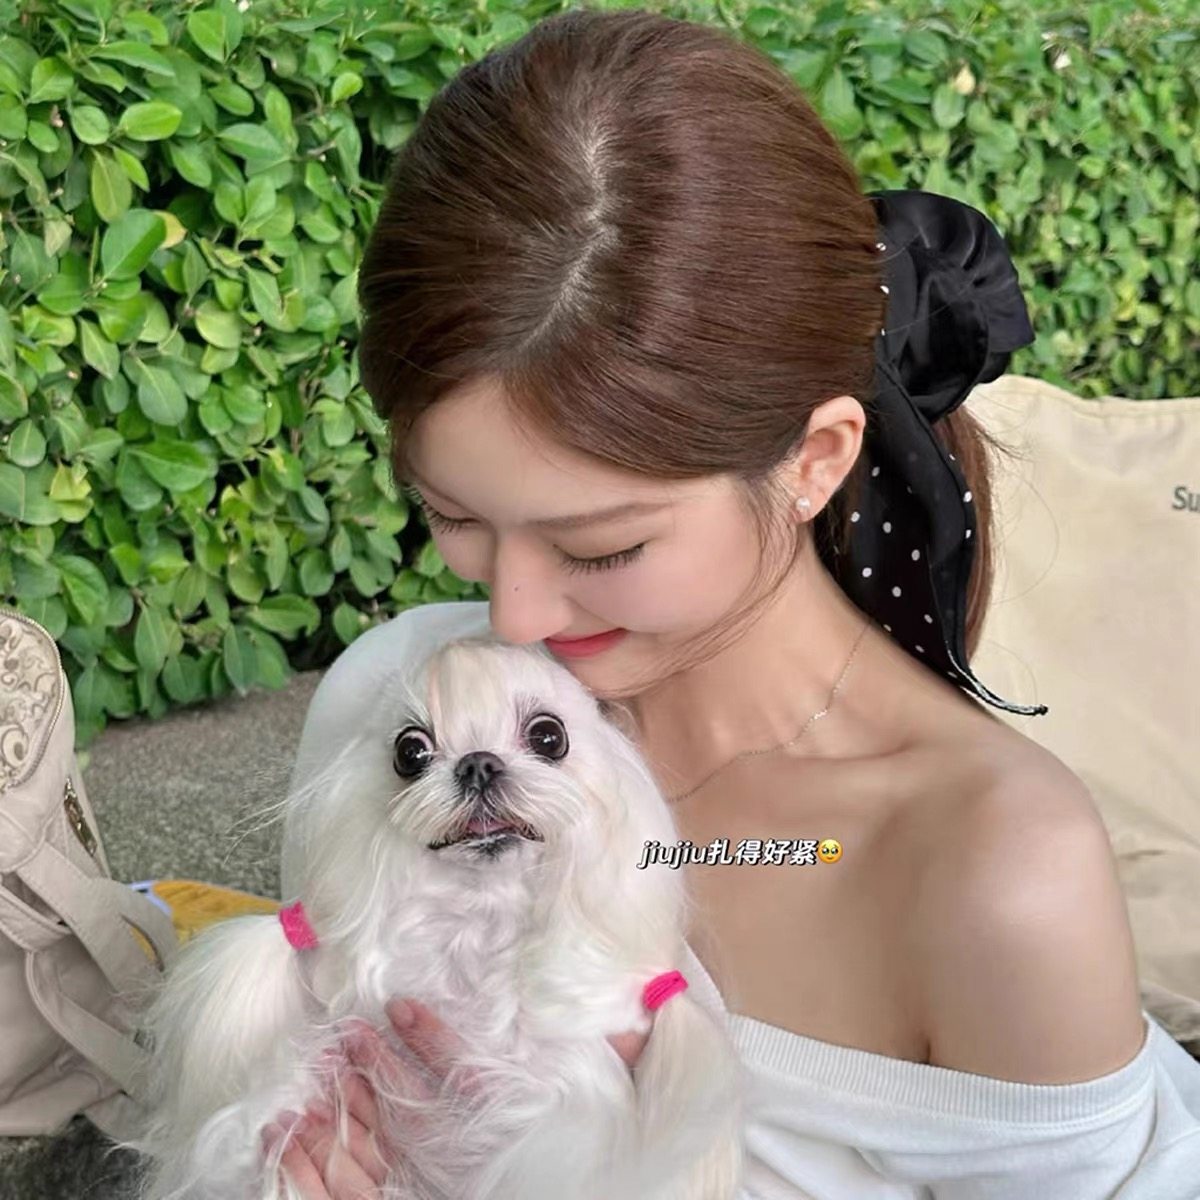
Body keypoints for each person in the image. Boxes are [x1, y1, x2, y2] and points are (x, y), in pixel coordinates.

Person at [265, 7, 1200, 1198]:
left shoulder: (994, 872)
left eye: (603, 547)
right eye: (452, 517)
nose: (514, 616)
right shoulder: (398, 708)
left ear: (815, 459)